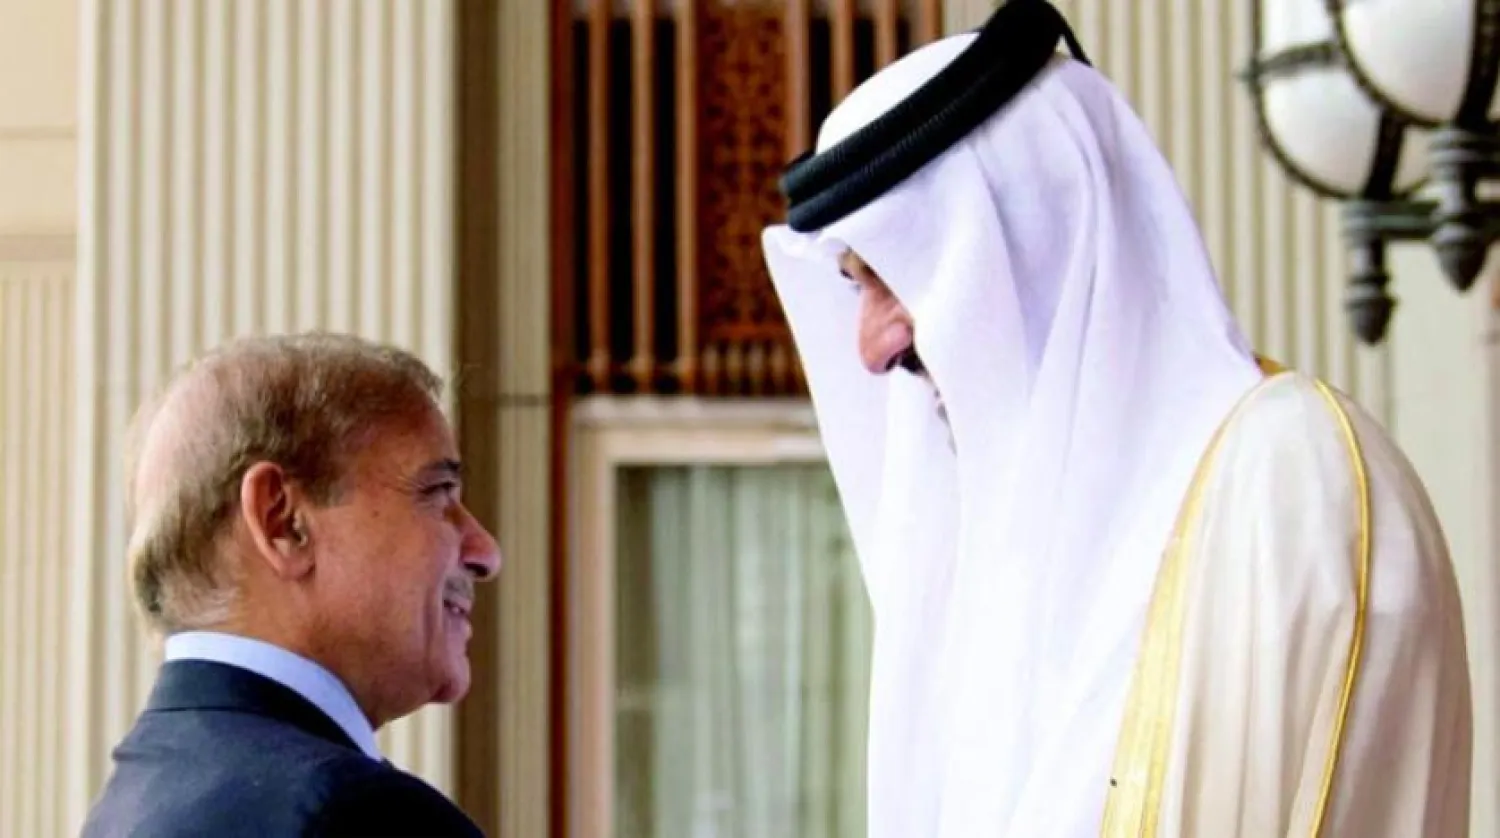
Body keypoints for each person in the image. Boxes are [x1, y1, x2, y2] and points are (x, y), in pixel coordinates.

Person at [761, 1, 1473, 836]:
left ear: (1029, 236)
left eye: (891, 273)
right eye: (855, 284)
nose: (872, 350)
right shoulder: (1004, 591)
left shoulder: (1283, 480)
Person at [81, 332, 501, 837]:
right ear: (282, 522)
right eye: (436, 492)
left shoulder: (128, 807)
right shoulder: (360, 817)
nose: (485, 552)